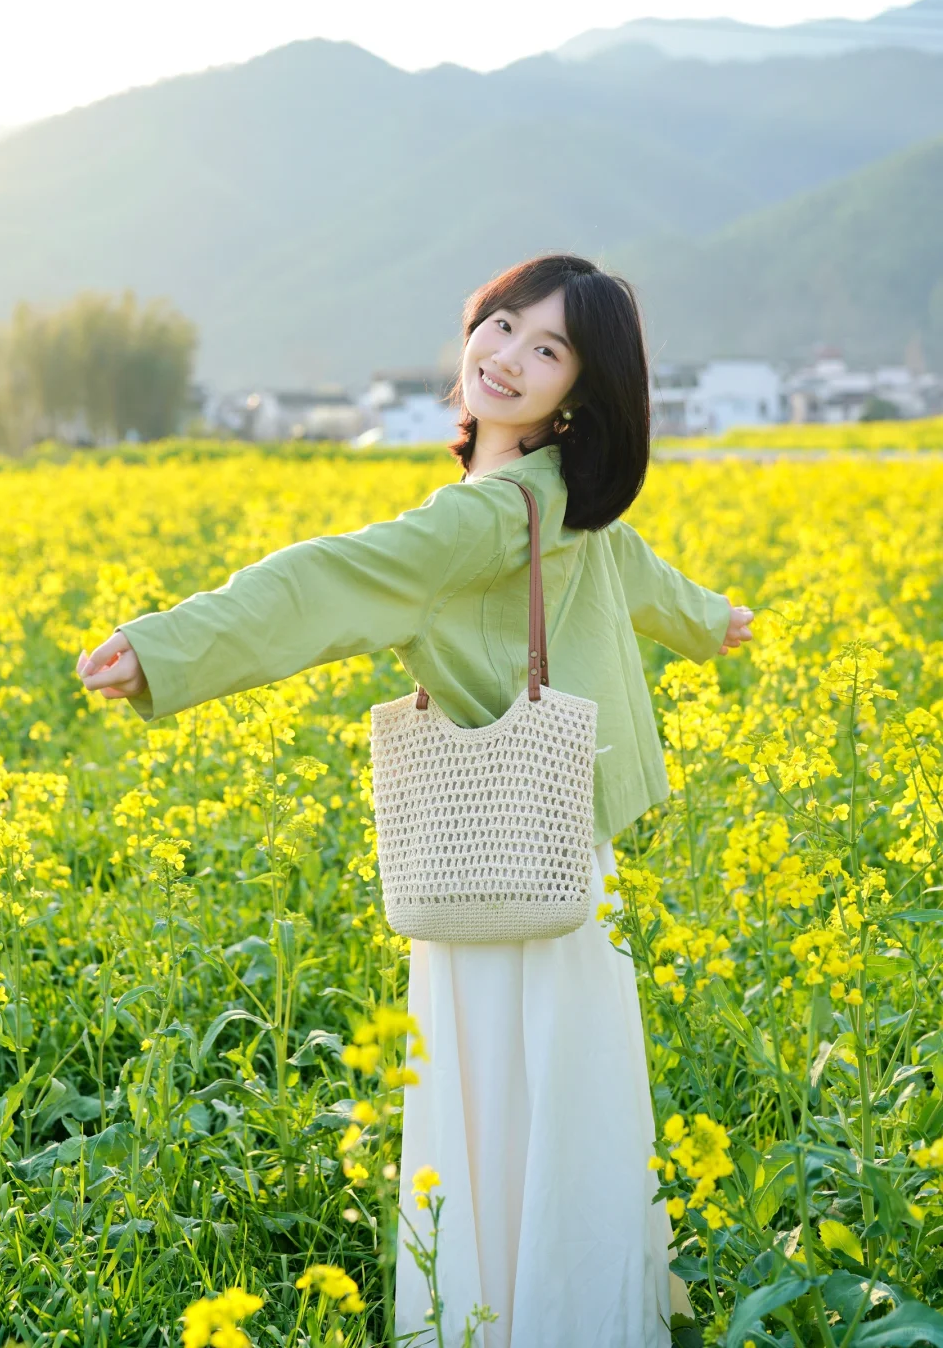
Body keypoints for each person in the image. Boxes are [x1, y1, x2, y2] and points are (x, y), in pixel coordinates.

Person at [78, 252, 753, 1348]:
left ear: (579, 392)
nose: (507, 356)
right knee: (572, 1105)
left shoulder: (481, 520)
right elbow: (639, 570)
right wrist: (713, 621)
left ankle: (501, 1319)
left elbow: (324, 579)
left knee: (497, 1107)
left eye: (548, 349)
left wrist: (166, 649)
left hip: (493, 859)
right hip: (569, 858)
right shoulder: (561, 499)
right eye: (504, 324)